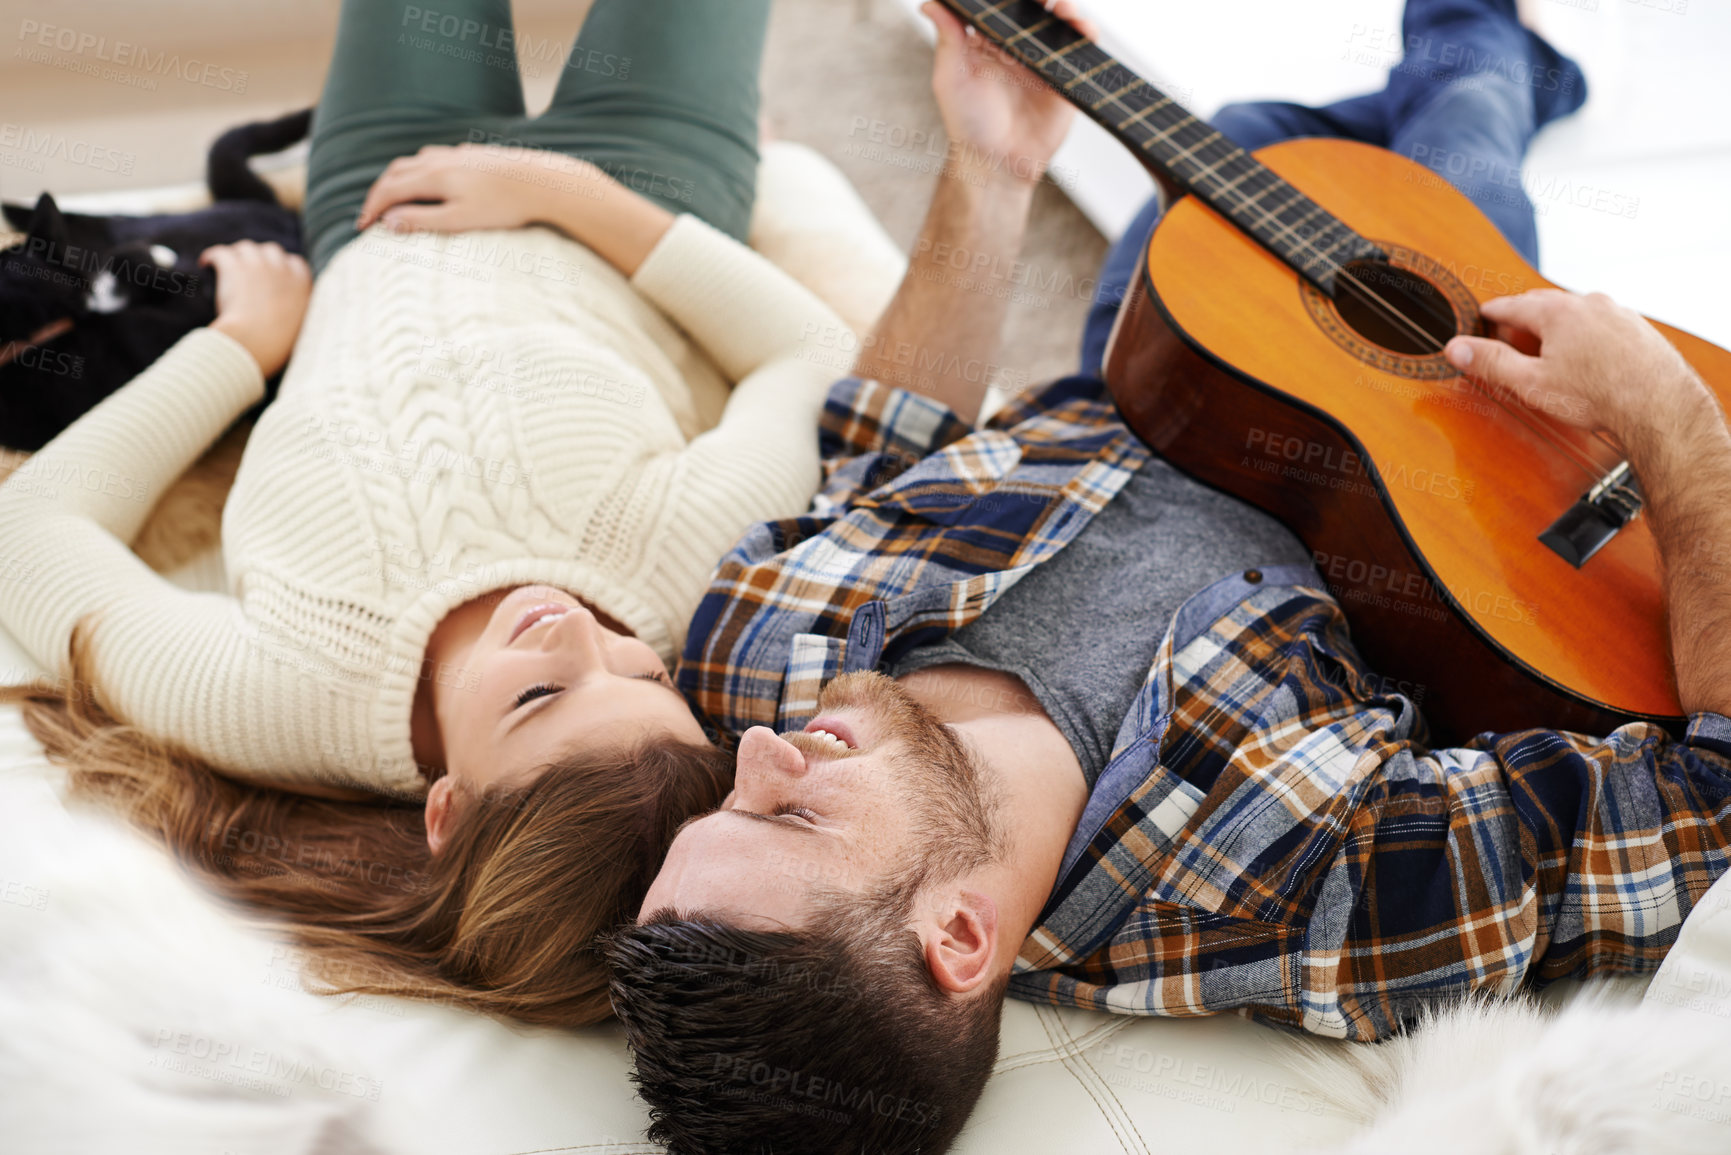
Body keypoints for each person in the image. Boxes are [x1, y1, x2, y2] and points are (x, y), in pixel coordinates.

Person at [602, 2, 1731, 1152]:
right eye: (786, 814)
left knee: (1255, 137)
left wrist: (991, 170)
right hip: (1453, 440)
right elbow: (1713, 799)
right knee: (1457, 133)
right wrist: (1666, 412)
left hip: (1168, 360)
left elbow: (888, 443)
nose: (751, 751)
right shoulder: (1308, 888)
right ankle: (1491, 42)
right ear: (956, 940)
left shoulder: (752, 657)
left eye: (727, 797)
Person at [0, 0, 854, 1026]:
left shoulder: (280, 695)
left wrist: (238, 350)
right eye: (645, 671)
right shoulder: (677, 568)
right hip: (636, 182)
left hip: (377, 194)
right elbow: (812, 357)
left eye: (539, 698)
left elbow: (35, 530)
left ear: (445, 809)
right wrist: (569, 194)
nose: (577, 628)